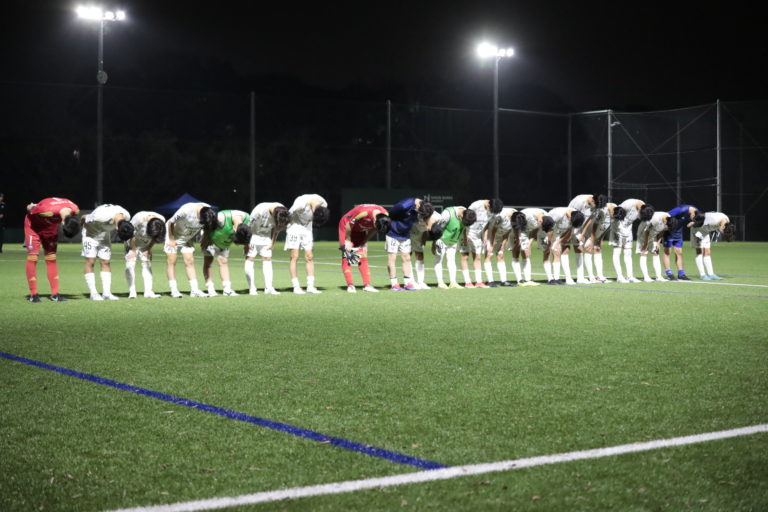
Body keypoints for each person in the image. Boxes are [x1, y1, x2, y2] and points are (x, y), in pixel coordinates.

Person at [24, 197, 81, 302]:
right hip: (33, 226)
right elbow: (29, 207)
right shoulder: (46, 210)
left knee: (51, 257)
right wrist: (33, 206)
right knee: (33, 256)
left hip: (50, 227)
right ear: (62, 223)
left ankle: (55, 294)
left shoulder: (75, 209)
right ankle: (33, 294)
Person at [81, 203, 135, 300]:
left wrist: (132, 249)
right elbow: (84, 217)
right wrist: (82, 227)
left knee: (106, 262)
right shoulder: (100, 216)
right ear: (117, 228)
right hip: (90, 235)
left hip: (104, 234)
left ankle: (106, 293)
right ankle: (93, 293)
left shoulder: (126, 216)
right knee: (90, 261)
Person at [165, 201, 217, 298]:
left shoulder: (208, 211)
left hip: (187, 236)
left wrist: (206, 238)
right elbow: (171, 222)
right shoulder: (186, 210)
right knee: (172, 261)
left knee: (190, 261)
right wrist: (171, 239)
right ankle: (174, 290)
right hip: (174, 234)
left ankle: (194, 290)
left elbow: (207, 226)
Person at [339, 204, 390, 292]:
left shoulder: (385, 216)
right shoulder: (363, 213)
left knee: (363, 255)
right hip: (347, 226)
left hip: (360, 229)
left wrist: (364, 241)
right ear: (375, 220)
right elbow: (348, 224)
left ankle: (367, 285)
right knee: (347, 255)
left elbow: (375, 229)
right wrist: (347, 240)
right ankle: (350, 285)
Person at [385, 198, 434, 291]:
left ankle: (408, 283)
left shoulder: (422, 206)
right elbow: (390, 214)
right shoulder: (404, 206)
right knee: (392, 258)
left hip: (406, 235)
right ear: (418, 206)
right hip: (393, 233)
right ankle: (394, 284)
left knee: (407, 258)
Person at [285, 194, 330, 294]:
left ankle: (310, 286)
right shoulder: (300, 203)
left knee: (309, 256)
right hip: (294, 226)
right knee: (294, 256)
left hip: (307, 228)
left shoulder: (323, 204)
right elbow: (288, 216)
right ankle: (296, 287)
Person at [201, 209, 251, 296]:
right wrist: (205, 238)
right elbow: (207, 225)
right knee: (208, 261)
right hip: (210, 236)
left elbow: (247, 233)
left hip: (225, 239)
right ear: (234, 229)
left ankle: (227, 289)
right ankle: (210, 288)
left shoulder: (247, 219)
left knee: (223, 261)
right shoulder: (221, 218)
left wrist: (246, 245)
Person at [245, 202, 290, 295]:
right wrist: (247, 243)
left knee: (267, 259)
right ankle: (252, 288)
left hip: (266, 236)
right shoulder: (259, 211)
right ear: (274, 215)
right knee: (250, 258)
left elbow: (277, 228)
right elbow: (248, 226)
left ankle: (269, 288)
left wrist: (273, 242)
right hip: (253, 235)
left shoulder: (282, 212)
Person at [609, 199, 653, 283]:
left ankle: (630, 277)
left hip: (628, 229)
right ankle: (619, 277)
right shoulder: (628, 204)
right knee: (617, 251)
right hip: (617, 227)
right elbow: (615, 211)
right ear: (640, 210)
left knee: (628, 253)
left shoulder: (644, 208)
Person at [462, 198, 503, 288]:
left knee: (477, 256)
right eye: (491, 210)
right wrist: (465, 235)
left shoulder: (493, 210)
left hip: (478, 235)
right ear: (488, 205)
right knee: (465, 256)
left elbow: (488, 224)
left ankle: (478, 282)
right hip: (467, 233)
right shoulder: (476, 205)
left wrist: (485, 234)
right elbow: (465, 218)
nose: (491, 212)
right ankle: (467, 282)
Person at [432, 206, 477, 289]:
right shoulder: (448, 214)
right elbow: (438, 228)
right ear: (461, 215)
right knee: (439, 260)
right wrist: (434, 242)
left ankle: (453, 282)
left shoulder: (467, 215)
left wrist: (465, 236)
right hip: (442, 240)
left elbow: (464, 227)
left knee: (452, 260)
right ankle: (440, 282)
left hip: (453, 241)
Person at [125, 211, 166, 298]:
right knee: (130, 264)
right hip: (132, 240)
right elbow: (131, 234)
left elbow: (155, 236)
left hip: (146, 243)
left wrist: (148, 248)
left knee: (147, 264)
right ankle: (132, 292)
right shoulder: (138, 219)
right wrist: (133, 249)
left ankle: (148, 292)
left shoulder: (161, 220)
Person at [539, 207, 585, 285]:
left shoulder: (575, 216)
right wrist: (550, 243)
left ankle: (556, 279)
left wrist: (557, 242)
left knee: (557, 252)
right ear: (570, 217)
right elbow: (548, 227)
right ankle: (550, 279)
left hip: (557, 232)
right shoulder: (558, 214)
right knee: (547, 252)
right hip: (546, 230)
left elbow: (569, 231)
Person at [510, 208, 553, 286]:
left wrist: (529, 244)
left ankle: (528, 279)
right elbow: (516, 229)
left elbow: (535, 229)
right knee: (516, 252)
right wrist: (517, 241)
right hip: (520, 231)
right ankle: (519, 280)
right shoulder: (518, 219)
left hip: (529, 229)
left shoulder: (541, 220)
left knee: (526, 253)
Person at [662, 204, 703, 281]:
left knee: (679, 253)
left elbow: (696, 221)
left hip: (678, 233)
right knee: (667, 252)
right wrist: (665, 228)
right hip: (669, 232)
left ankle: (681, 274)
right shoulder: (681, 209)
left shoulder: (697, 212)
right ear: (693, 214)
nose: (692, 219)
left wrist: (693, 223)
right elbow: (665, 216)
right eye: (693, 218)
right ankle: (669, 273)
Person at [692, 212, 735, 280]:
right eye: (723, 231)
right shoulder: (713, 220)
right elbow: (700, 220)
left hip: (706, 231)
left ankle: (711, 274)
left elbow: (711, 228)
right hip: (697, 229)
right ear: (723, 227)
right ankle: (702, 275)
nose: (721, 232)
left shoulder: (726, 221)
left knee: (707, 252)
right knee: (700, 252)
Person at [635, 211, 677, 282]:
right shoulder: (655, 219)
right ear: (666, 221)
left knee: (656, 253)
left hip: (654, 233)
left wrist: (658, 243)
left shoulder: (669, 220)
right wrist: (645, 244)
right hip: (643, 233)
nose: (667, 227)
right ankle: (646, 277)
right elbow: (647, 232)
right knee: (644, 253)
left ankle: (659, 277)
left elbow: (662, 231)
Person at [583, 195, 616, 283]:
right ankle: (591, 277)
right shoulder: (603, 211)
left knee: (598, 250)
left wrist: (601, 238)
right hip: (590, 233)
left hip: (598, 234)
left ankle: (600, 276)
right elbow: (594, 226)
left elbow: (607, 226)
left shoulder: (615, 212)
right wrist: (592, 241)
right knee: (588, 249)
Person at [484, 206, 518, 286]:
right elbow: (493, 231)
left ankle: (504, 281)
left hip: (500, 235)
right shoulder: (501, 216)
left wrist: (503, 244)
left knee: (501, 255)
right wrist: (491, 245)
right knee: (489, 255)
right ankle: (490, 281)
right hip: (489, 235)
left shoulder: (517, 217)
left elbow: (507, 232)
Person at [409, 209, 444, 289]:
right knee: (408, 256)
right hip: (410, 229)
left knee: (420, 255)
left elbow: (431, 233)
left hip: (420, 231)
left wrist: (431, 243)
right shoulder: (419, 215)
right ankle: (411, 281)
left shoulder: (439, 219)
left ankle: (420, 282)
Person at [567, 194, 597, 284]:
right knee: (578, 248)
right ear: (592, 201)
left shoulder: (595, 204)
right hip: (572, 223)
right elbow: (571, 217)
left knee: (585, 248)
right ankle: (580, 278)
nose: (595, 208)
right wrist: (575, 233)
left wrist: (582, 233)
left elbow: (590, 219)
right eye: (595, 205)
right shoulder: (579, 202)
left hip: (581, 226)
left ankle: (584, 277)